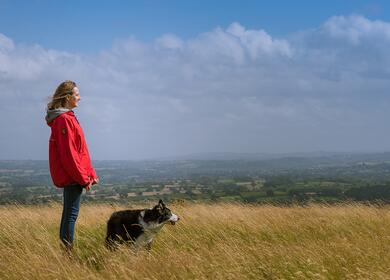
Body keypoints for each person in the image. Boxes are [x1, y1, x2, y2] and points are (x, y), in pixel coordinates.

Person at [45, 80, 99, 250]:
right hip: (72, 176)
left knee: (69, 213)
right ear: (68, 97)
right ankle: (67, 255)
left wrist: (90, 174)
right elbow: (69, 155)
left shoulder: (68, 118)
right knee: (70, 215)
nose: (80, 98)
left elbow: (81, 150)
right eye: (76, 95)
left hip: (76, 174)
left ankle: (66, 252)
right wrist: (83, 178)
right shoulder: (63, 120)